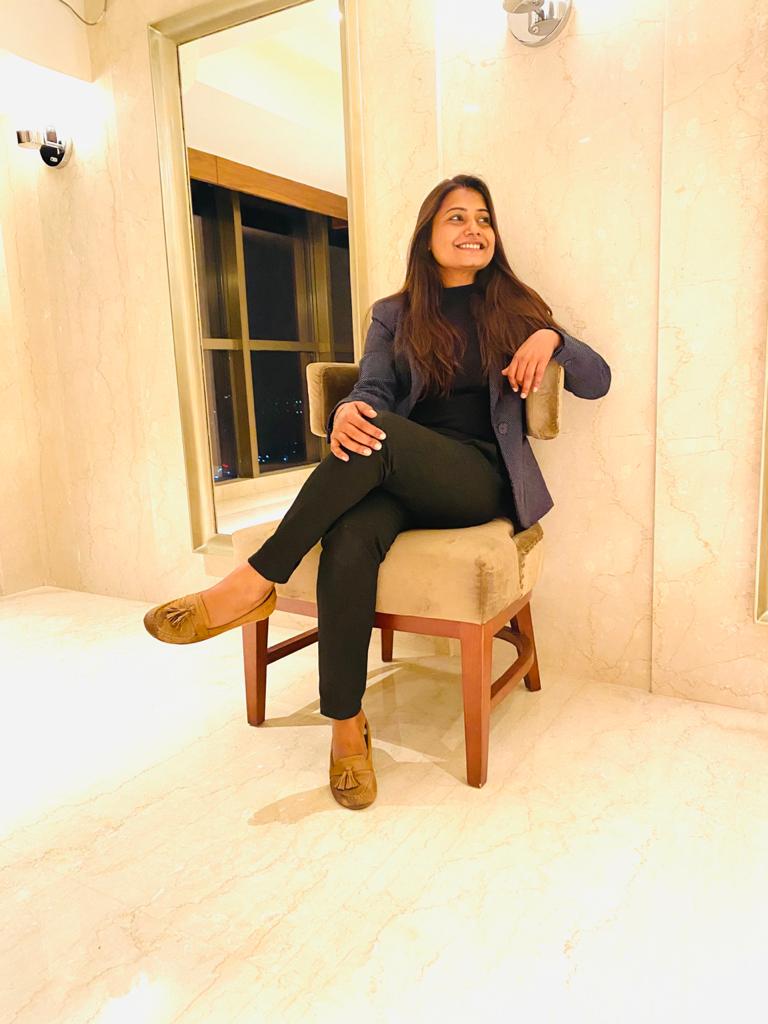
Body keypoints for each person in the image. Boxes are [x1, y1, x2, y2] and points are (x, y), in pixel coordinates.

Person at [143, 173, 611, 810]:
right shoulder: (394, 314)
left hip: (477, 479)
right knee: (350, 536)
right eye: (456, 217)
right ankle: (346, 729)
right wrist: (347, 410)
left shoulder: (516, 306)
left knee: (382, 436)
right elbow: (374, 388)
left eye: (483, 219)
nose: (474, 229)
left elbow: (596, 380)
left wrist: (553, 337)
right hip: (400, 471)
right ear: (427, 235)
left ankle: (254, 580)